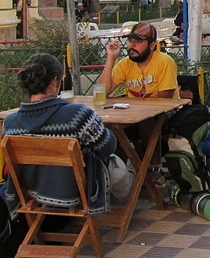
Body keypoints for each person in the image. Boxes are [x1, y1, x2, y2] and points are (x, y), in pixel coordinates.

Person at [1, 54, 131, 215]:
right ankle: (136, 196)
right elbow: (108, 146)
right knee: (121, 166)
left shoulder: (10, 123)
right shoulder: (77, 115)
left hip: (33, 191)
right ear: (55, 82)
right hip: (76, 191)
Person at [99, 22, 179, 99]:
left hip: (167, 111)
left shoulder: (164, 62)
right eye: (130, 40)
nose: (132, 45)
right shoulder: (125, 64)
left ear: (152, 45)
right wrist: (111, 58)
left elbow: (165, 101)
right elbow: (103, 92)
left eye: (138, 41)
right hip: (135, 110)